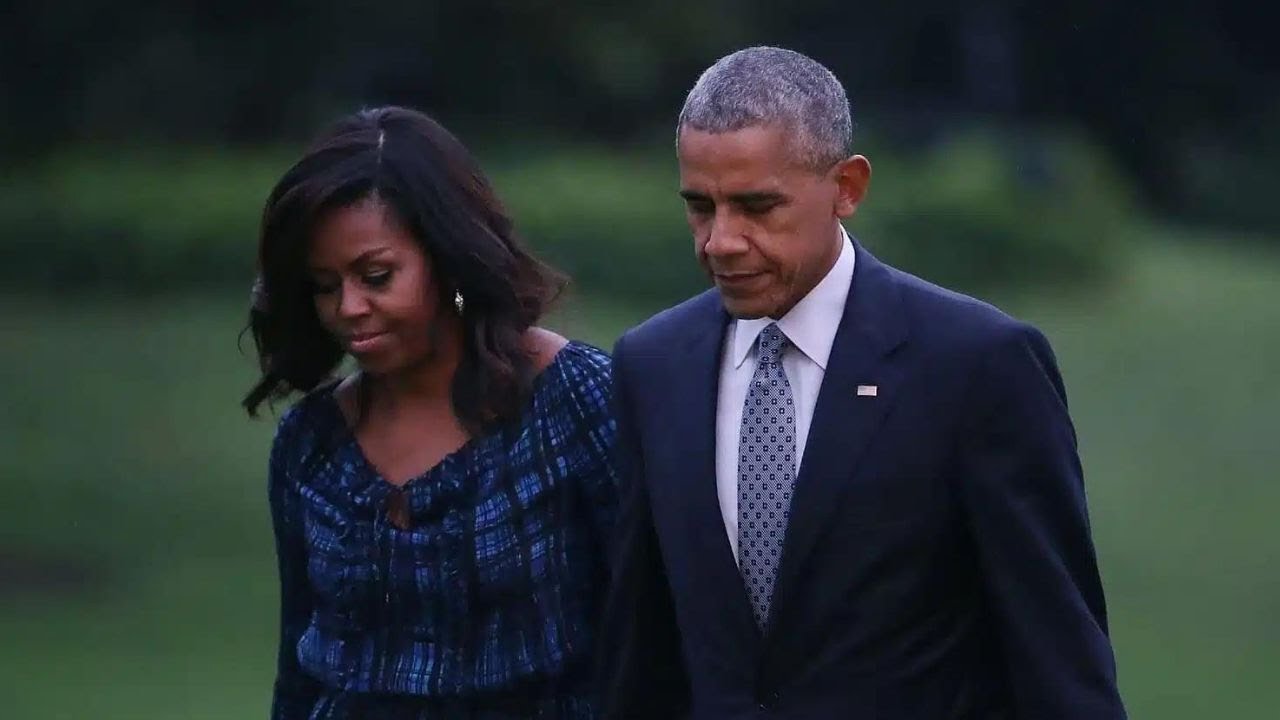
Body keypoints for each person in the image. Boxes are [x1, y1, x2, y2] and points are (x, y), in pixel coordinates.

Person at [598, 47, 1127, 719]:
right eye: (701, 207)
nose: (720, 241)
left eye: (757, 207)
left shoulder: (977, 364)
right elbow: (641, 653)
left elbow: (1059, 657)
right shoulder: (651, 365)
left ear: (847, 187)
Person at [243, 106, 618, 719]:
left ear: (448, 258)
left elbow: (652, 629)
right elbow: (298, 670)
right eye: (324, 286)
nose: (349, 307)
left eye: (376, 276)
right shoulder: (311, 443)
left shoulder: (574, 400)